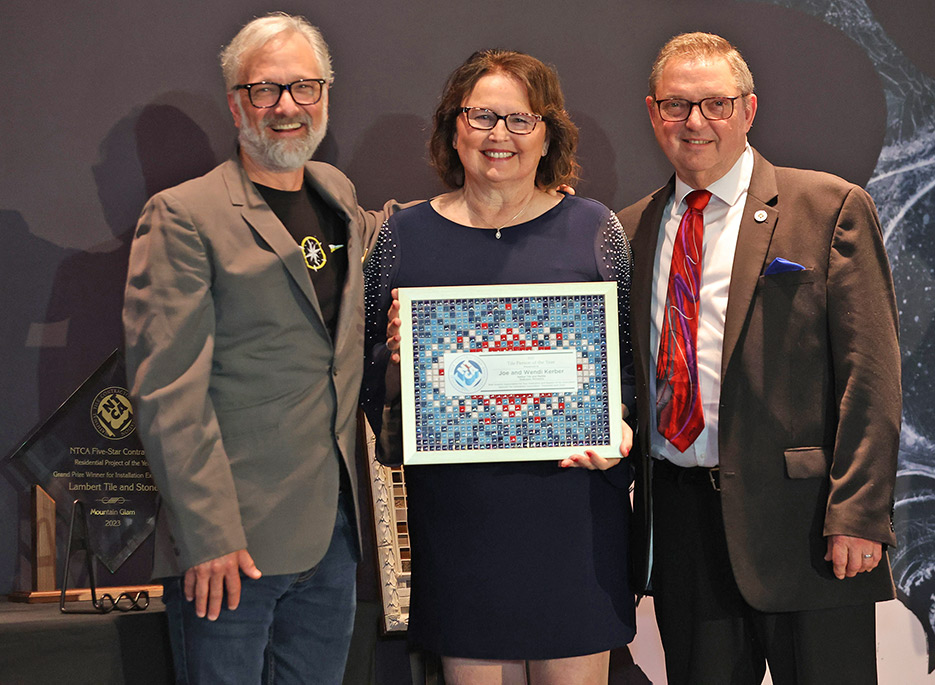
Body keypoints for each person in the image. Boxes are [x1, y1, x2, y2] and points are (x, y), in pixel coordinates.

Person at [123, 12, 402, 684]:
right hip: (233, 551)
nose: (286, 107)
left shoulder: (337, 196)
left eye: (304, 88)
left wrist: (511, 199)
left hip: (332, 543)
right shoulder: (184, 215)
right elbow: (168, 391)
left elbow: (404, 234)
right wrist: (209, 533)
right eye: (265, 90)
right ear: (235, 103)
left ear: (326, 97)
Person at [618, 32, 901, 684]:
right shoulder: (629, 228)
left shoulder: (828, 207)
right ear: (651, 112)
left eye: (714, 103)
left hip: (806, 529)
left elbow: (870, 374)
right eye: (675, 105)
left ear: (747, 110)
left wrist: (856, 513)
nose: (694, 122)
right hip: (683, 528)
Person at [362, 49, 636, 685]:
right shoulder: (402, 237)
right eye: (482, 117)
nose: (499, 137)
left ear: (548, 136)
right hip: (461, 519)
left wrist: (618, 430)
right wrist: (400, 359)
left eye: (519, 120)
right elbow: (371, 384)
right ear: (452, 128)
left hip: (572, 516)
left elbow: (622, 372)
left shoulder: (593, 231)